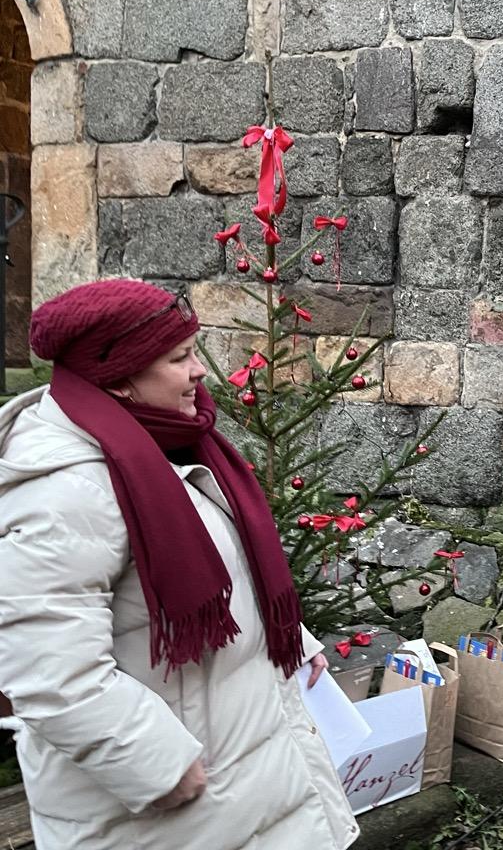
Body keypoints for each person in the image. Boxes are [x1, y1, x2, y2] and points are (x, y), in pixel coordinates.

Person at [0, 279, 359, 850]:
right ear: (119, 376)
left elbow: (216, 570)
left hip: (241, 775)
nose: (199, 372)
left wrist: (290, 638)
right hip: (164, 811)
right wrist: (156, 765)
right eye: (179, 358)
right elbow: (50, 674)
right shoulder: (66, 493)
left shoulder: (158, 443)